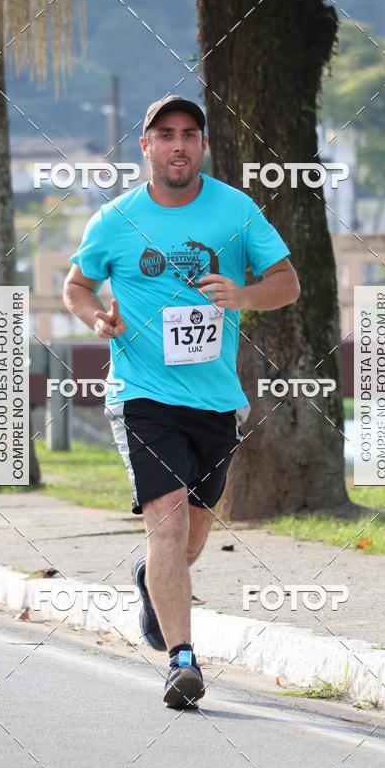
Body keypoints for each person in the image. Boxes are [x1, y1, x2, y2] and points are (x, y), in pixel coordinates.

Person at [64, 96, 300, 709]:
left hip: (216, 400)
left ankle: (152, 580)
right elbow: (77, 284)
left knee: (190, 539)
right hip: (142, 394)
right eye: (165, 135)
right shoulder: (115, 219)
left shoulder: (235, 210)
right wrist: (96, 318)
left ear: (202, 145)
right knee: (165, 521)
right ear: (145, 146)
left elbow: (288, 283)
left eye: (189, 135)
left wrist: (244, 295)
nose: (178, 145)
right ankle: (182, 662)